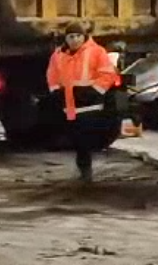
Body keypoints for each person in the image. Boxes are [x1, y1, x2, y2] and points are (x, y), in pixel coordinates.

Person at [46, 20, 121, 184]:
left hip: (91, 106)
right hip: (71, 107)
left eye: (78, 36)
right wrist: (56, 92)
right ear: (66, 38)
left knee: (85, 141)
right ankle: (84, 172)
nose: (74, 40)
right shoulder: (58, 56)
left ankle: (86, 173)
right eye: (71, 36)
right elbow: (52, 75)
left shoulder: (97, 52)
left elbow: (108, 74)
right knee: (77, 141)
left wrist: (95, 91)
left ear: (84, 36)